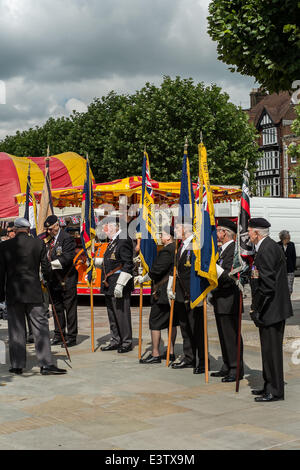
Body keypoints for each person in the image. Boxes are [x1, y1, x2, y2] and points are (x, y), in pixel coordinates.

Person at [0, 218, 66, 375]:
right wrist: (48, 282)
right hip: (34, 291)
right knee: (40, 328)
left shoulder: (4, 246)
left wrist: (1, 294)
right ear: (28, 229)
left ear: (15, 229)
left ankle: (17, 365)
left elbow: (1, 273)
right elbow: (46, 267)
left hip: (14, 292)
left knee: (16, 329)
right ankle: (46, 364)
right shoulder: (38, 243)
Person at [248, 218, 293, 402]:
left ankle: (275, 391)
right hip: (271, 307)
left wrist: (255, 308)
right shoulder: (266, 247)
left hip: (272, 308)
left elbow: (267, 285)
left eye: (249, 231)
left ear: (257, 233)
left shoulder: (266, 249)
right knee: (267, 350)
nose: (248, 235)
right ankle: (269, 385)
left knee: (272, 352)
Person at [135, 226, 178, 364]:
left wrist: (144, 278)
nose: (160, 236)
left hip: (163, 292)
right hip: (172, 291)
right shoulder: (177, 249)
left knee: (155, 322)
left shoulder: (167, 251)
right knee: (172, 322)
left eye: (163, 234)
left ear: (169, 237)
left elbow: (156, 270)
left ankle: (155, 353)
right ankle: (170, 352)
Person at [167, 221, 205, 374]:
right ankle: (189, 357)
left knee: (197, 329)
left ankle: (202, 360)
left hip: (193, 294)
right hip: (181, 294)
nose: (175, 229)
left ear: (186, 229)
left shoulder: (195, 245)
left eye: (177, 227)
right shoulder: (181, 246)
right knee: (185, 328)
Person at [210, 219, 244, 383]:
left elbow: (229, 276)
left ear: (224, 233)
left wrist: (212, 265)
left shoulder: (233, 251)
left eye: (218, 231)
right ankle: (227, 364)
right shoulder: (222, 250)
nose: (216, 234)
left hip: (230, 300)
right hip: (220, 299)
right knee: (223, 336)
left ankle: (236, 368)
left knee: (232, 336)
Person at [97, 217, 134, 353]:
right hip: (109, 284)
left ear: (115, 227)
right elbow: (113, 260)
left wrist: (120, 284)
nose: (104, 230)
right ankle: (116, 339)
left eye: (106, 226)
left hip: (119, 283)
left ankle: (126, 341)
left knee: (121, 314)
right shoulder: (113, 242)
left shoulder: (123, 240)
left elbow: (128, 264)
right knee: (112, 315)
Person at [45, 215, 78, 348]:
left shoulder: (67, 238)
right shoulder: (49, 240)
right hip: (53, 280)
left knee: (70, 309)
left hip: (66, 278)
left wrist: (50, 265)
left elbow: (68, 258)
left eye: (51, 229)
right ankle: (59, 334)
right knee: (56, 309)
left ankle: (71, 336)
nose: (49, 231)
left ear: (57, 225)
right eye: (47, 229)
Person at [278, 230, 297, 295]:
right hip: (281, 270)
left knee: (289, 288)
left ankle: (287, 302)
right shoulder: (277, 245)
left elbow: (293, 257)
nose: (289, 239)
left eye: (289, 237)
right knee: (281, 288)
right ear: (283, 238)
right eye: (288, 238)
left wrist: (293, 267)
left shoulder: (292, 244)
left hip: (290, 269)